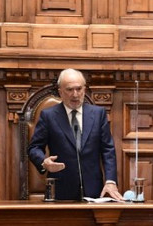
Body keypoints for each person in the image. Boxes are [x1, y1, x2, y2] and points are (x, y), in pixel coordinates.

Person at [28, 69, 124, 201]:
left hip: (94, 191)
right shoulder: (48, 116)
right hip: (61, 191)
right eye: (69, 89)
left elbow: (108, 150)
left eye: (79, 89)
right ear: (60, 92)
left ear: (84, 89)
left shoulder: (98, 114)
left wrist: (111, 181)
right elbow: (34, 148)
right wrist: (44, 162)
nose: (75, 94)